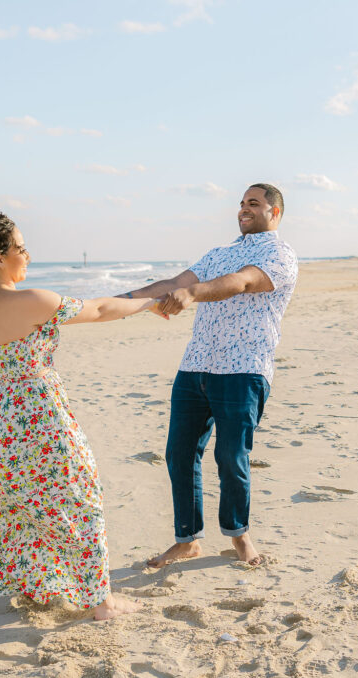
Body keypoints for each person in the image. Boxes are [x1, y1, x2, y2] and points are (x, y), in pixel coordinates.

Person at [0, 211, 161, 620]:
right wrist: (150, 302)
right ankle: (102, 604)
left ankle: (37, 587)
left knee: (25, 508)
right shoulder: (29, 301)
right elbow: (97, 310)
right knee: (79, 498)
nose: (28, 254)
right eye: (20, 247)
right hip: (38, 419)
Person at [117, 184, 298, 569]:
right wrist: (123, 300)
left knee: (231, 456)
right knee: (179, 454)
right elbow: (174, 284)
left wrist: (193, 294)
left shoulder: (280, 255)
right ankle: (187, 540)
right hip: (196, 366)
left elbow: (244, 282)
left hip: (243, 368)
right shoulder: (220, 253)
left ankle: (239, 535)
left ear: (275, 212)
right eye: (242, 204)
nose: (244, 209)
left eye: (254, 203)